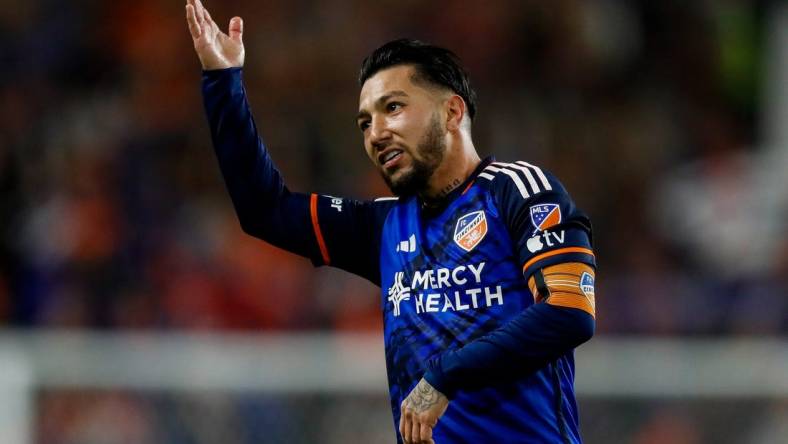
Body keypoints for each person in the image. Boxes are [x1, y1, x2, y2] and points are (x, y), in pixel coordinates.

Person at [185, 1, 597, 442]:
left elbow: (569, 311)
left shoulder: (517, 190)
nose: (376, 133)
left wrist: (444, 376)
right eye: (365, 123)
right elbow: (265, 210)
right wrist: (223, 82)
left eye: (393, 108)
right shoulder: (385, 227)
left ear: (452, 112)